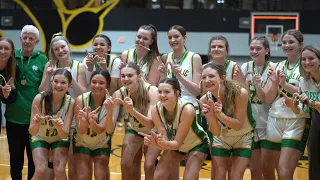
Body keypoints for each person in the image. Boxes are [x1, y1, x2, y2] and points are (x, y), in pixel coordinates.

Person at [140, 78, 209, 180]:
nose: (162, 95)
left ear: (177, 93)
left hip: (197, 145)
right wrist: (157, 143)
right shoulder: (156, 110)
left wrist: (160, 144)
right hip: (177, 145)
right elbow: (166, 140)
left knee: (189, 178)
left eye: (167, 92)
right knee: (158, 176)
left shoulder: (187, 109)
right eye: (160, 92)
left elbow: (176, 143)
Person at [5, 25, 48, 180]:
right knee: (15, 160)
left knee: (33, 161)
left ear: (36, 41)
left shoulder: (43, 60)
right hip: (13, 118)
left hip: (35, 121)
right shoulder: (11, 56)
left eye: (31, 38)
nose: (28, 41)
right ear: (20, 39)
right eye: (25, 37)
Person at [199, 63, 256, 180]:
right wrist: (210, 116)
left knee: (235, 177)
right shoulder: (204, 100)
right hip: (221, 138)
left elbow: (238, 125)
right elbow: (215, 131)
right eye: (204, 77)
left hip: (243, 137)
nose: (207, 80)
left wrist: (220, 115)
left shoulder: (240, 93)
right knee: (218, 176)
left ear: (222, 78)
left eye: (211, 76)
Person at [264, 29, 307, 180]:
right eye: (284, 42)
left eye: (291, 42)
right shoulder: (277, 66)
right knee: (268, 168)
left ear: (300, 45)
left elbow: (306, 93)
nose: (287, 45)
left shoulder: (306, 64)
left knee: (284, 170)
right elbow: (269, 99)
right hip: (275, 118)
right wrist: (275, 84)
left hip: (296, 119)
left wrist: (284, 84)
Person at [109, 62, 159, 180]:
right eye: (123, 76)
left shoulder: (152, 91)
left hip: (154, 131)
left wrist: (132, 111)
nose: (126, 79)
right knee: (125, 164)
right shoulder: (119, 93)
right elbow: (110, 128)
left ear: (139, 75)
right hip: (135, 129)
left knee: (149, 165)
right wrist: (108, 112)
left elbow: (151, 124)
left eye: (130, 75)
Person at [281, 44, 320, 180]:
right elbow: (302, 111)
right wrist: (292, 105)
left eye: (311, 58)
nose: (307, 62)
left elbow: (313, 104)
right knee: (314, 162)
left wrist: (311, 102)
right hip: (315, 120)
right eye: (304, 59)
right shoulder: (304, 81)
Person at [29, 69, 74, 179]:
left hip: (59, 138)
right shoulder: (39, 99)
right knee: (41, 169)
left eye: (63, 82)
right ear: (51, 82)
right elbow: (32, 131)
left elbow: (64, 134)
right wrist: (36, 123)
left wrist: (59, 127)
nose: (58, 85)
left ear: (70, 85)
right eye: (56, 81)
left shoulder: (70, 102)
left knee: (59, 170)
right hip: (40, 136)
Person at [241, 36, 273, 180]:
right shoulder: (244, 67)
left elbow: (267, 98)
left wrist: (258, 85)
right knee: (254, 169)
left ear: (266, 50)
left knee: (267, 169)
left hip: (269, 124)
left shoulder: (273, 68)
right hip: (251, 125)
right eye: (252, 48)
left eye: (258, 48)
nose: (254, 51)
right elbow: (242, 95)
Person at [73, 68, 112, 180]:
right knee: (83, 177)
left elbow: (101, 129)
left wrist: (92, 122)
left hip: (101, 141)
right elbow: (80, 130)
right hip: (82, 140)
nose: (97, 85)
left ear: (107, 85)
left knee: (101, 176)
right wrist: (85, 121)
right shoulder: (81, 100)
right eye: (94, 82)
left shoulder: (109, 102)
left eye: (101, 83)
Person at [39, 33, 86, 98]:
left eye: (63, 47)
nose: (60, 50)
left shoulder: (80, 66)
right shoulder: (50, 65)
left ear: (69, 47)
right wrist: (48, 76)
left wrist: (71, 78)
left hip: (74, 106)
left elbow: (83, 95)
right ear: (53, 52)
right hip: (53, 107)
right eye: (56, 49)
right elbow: (42, 92)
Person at [0, 37, 19, 133]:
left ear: (12, 53)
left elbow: (12, 98)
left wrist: (6, 95)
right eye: (0, 48)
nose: (2, 51)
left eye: (6, 48)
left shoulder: (15, 69)